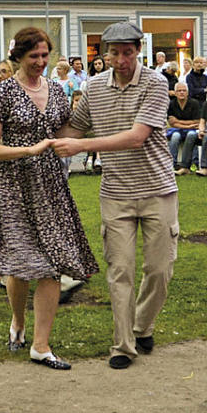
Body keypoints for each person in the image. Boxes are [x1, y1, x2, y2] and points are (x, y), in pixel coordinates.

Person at [54, 21, 175, 369]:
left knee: (159, 270)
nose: (121, 60)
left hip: (158, 190)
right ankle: (123, 345)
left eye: (127, 53)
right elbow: (72, 129)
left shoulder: (155, 83)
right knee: (120, 271)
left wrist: (82, 146)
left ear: (139, 51)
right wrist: (33, 128)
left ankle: (142, 325)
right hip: (115, 194)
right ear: (105, 54)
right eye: (114, 53)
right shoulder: (93, 87)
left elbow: (136, 137)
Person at [0, 26, 98, 372]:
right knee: (20, 266)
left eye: (45, 55)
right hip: (14, 187)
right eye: (34, 55)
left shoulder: (57, 91)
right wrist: (29, 150)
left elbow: (64, 133)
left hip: (50, 186)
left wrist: (91, 121)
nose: (40, 61)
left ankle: (40, 345)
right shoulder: (3, 92)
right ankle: (18, 321)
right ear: (18, 56)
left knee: (51, 264)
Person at [165, 81, 203, 176]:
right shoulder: (171, 104)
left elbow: (197, 122)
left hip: (192, 130)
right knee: (175, 136)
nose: (181, 92)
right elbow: (172, 123)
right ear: (175, 93)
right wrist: (188, 125)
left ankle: (192, 164)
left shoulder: (194, 103)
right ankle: (171, 164)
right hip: (177, 130)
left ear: (187, 92)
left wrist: (178, 122)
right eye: (179, 91)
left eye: (184, 90)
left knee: (191, 134)